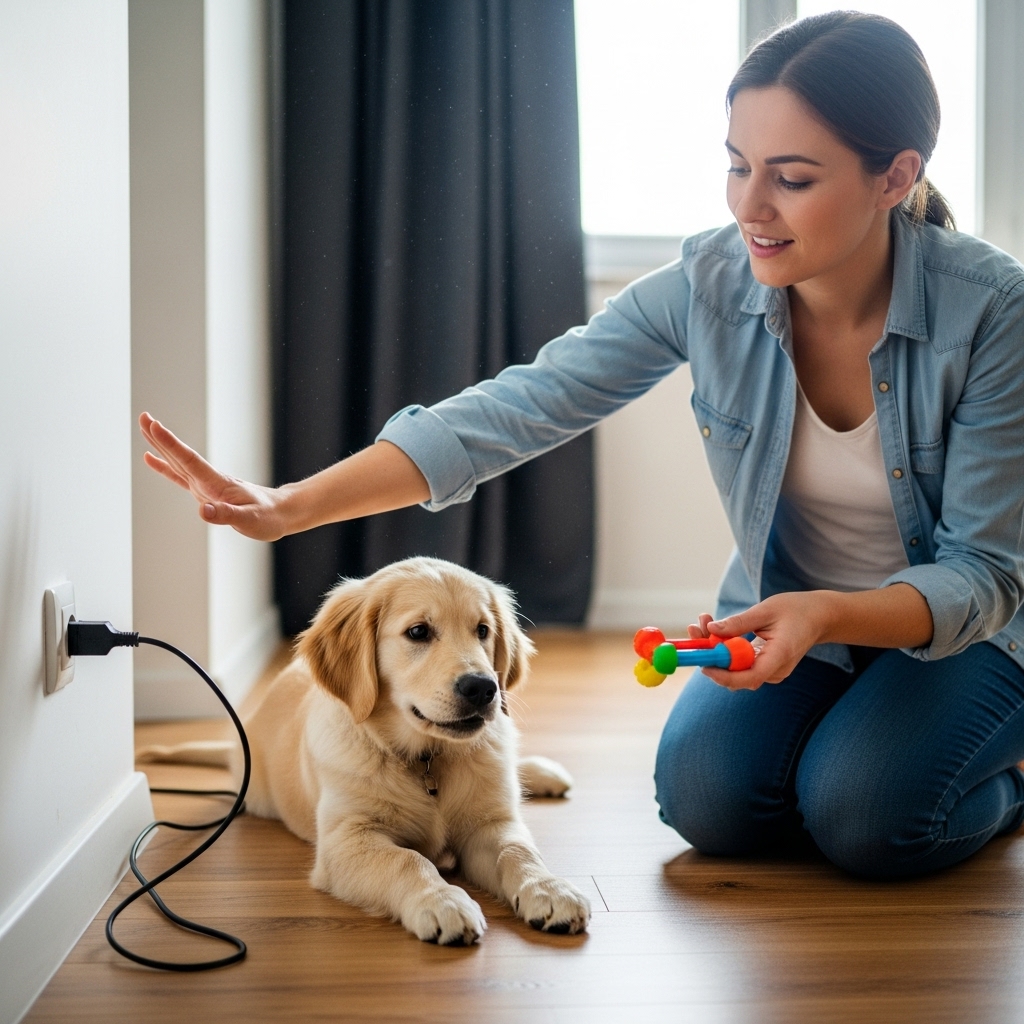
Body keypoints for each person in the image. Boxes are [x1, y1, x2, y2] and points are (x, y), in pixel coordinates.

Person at [140, 12, 1024, 880]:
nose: (749, 205)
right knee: (709, 804)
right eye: (736, 164)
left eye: (791, 178)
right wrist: (288, 505)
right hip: (789, 622)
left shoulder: (992, 313)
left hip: (969, 638)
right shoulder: (708, 284)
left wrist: (827, 615)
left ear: (894, 176)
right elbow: (521, 405)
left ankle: (1000, 770)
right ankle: (873, 735)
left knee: (867, 821)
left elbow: (983, 573)